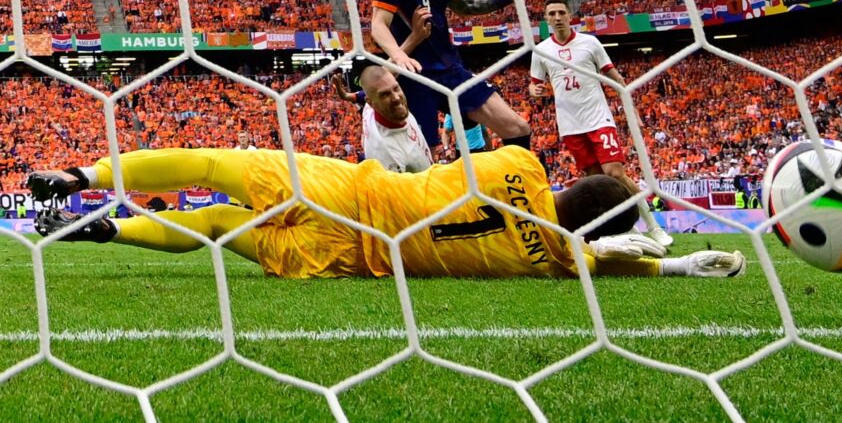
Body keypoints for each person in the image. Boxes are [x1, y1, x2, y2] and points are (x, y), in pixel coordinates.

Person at [27, 147, 746, 280]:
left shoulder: (521, 166)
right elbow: (601, 261)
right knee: (217, 223)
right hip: (358, 255)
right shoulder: (562, 261)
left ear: (574, 181)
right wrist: (676, 263)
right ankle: (111, 228)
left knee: (209, 167)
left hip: (352, 191)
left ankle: (82, 177)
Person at [370, 0, 534, 152]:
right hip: (415, 75)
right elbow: (378, 24)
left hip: (450, 69)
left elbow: (464, 6)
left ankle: (520, 177)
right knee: (427, 156)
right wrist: (398, 55)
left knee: (517, 128)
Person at [529, 0, 673, 247]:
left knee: (615, 173)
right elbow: (534, 85)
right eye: (552, 13)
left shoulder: (590, 43)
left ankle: (654, 226)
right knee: (598, 182)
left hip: (598, 118)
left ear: (569, 15)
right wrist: (535, 91)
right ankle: (630, 231)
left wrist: (632, 111)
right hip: (570, 124)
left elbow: (616, 78)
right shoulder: (541, 51)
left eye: (561, 12)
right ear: (546, 19)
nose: (557, 17)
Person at [334, 65, 433, 174]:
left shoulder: (371, 106)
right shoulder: (388, 155)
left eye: (396, 88)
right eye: (385, 94)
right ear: (371, 102)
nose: (396, 98)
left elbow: (379, 77)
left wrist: (345, 95)